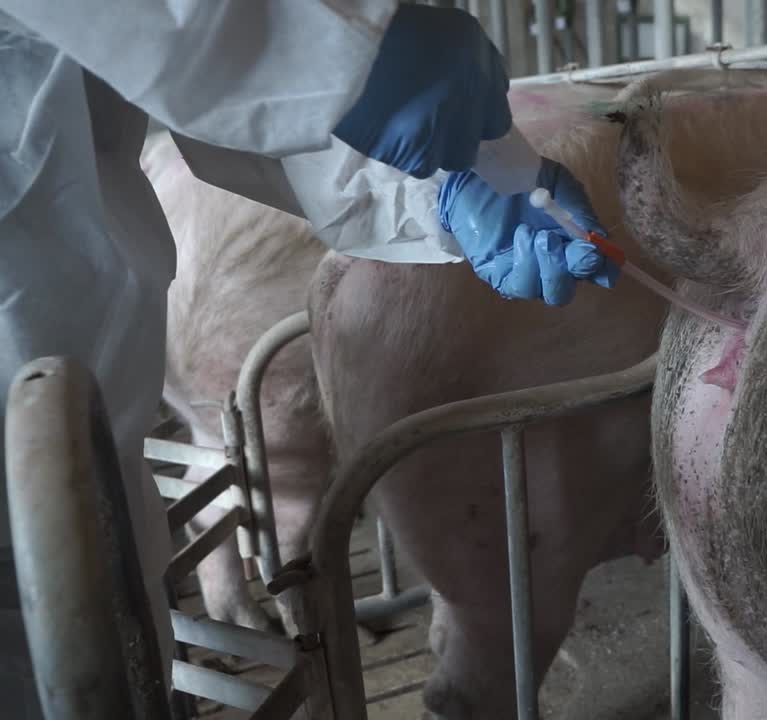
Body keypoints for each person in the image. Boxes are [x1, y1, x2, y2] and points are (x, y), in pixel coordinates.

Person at [0, 2, 616, 717]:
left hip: (74, 433)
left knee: (98, 635)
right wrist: (345, 47)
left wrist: (443, 187)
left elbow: (218, 85)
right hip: (42, 425)